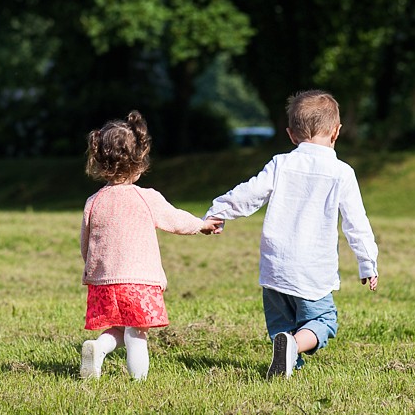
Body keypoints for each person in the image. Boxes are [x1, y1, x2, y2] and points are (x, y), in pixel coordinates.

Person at [205, 90, 379, 378]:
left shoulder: (281, 164)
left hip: (275, 268)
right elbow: (356, 223)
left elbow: (250, 193)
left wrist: (219, 210)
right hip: (313, 272)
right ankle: (295, 348)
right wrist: (367, 263)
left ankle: (286, 361)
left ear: (291, 134)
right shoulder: (342, 172)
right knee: (323, 321)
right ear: (336, 132)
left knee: (280, 326)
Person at [79, 110, 219, 380]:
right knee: (136, 332)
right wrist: (201, 224)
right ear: (140, 160)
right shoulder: (146, 197)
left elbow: (86, 243)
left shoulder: (94, 201)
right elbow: (175, 220)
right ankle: (138, 381)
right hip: (138, 282)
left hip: (104, 281)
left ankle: (98, 348)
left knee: (118, 329)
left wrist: (92, 269)